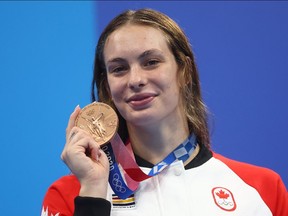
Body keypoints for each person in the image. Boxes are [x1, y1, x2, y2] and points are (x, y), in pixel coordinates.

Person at [41, 8, 288, 216]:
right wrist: (94, 195)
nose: (135, 79)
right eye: (119, 69)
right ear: (107, 86)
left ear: (184, 72)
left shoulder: (262, 189)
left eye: (151, 62)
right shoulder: (70, 195)